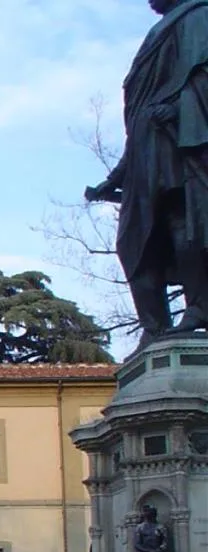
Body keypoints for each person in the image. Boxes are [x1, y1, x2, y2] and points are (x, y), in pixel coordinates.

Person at [85, 0, 208, 340]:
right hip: (146, 150)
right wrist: (115, 177)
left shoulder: (198, 16)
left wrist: (179, 110)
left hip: (178, 141)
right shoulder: (163, 29)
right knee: (133, 243)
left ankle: (198, 307)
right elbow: (138, 121)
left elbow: (204, 75)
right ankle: (154, 326)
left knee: (183, 227)